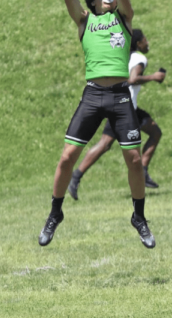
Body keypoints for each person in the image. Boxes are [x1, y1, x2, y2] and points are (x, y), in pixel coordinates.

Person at [38, 0, 155, 250]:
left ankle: (139, 216)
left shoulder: (124, 19)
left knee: (133, 159)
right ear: (91, 2)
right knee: (66, 158)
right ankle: (55, 212)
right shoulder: (84, 21)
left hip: (119, 96)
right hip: (93, 95)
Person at [68, 28, 166, 198]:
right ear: (137, 43)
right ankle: (76, 176)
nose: (147, 42)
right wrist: (155, 77)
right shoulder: (139, 58)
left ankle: (143, 171)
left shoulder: (121, 56)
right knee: (104, 144)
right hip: (123, 109)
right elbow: (133, 79)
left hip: (128, 107)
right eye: (145, 39)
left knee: (155, 132)